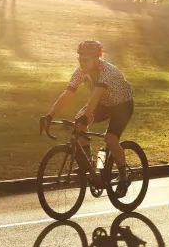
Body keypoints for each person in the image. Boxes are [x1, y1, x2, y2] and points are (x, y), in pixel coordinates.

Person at [43, 40, 136, 190]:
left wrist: (87, 115)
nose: (81, 63)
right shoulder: (81, 71)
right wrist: (50, 115)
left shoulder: (107, 71)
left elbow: (96, 95)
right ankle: (89, 165)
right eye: (79, 59)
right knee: (79, 123)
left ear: (97, 58)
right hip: (103, 104)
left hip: (122, 105)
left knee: (110, 139)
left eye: (85, 60)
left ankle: (123, 175)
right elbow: (68, 93)